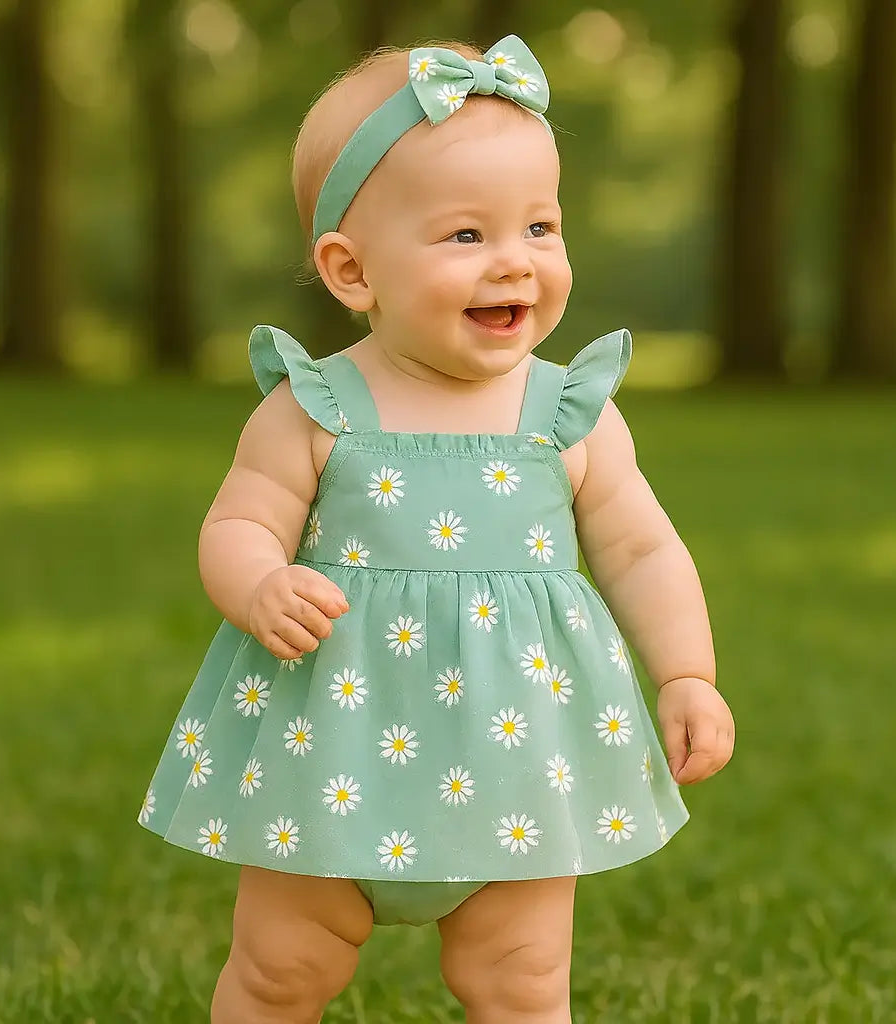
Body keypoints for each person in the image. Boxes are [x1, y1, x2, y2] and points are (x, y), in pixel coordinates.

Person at [137, 34, 735, 1024]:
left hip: (520, 757)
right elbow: (239, 518)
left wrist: (685, 671)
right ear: (350, 270)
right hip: (329, 748)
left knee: (522, 981)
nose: (516, 261)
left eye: (540, 226)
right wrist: (257, 582)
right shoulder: (316, 406)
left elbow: (639, 546)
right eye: (466, 236)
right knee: (284, 969)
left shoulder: (567, 411)